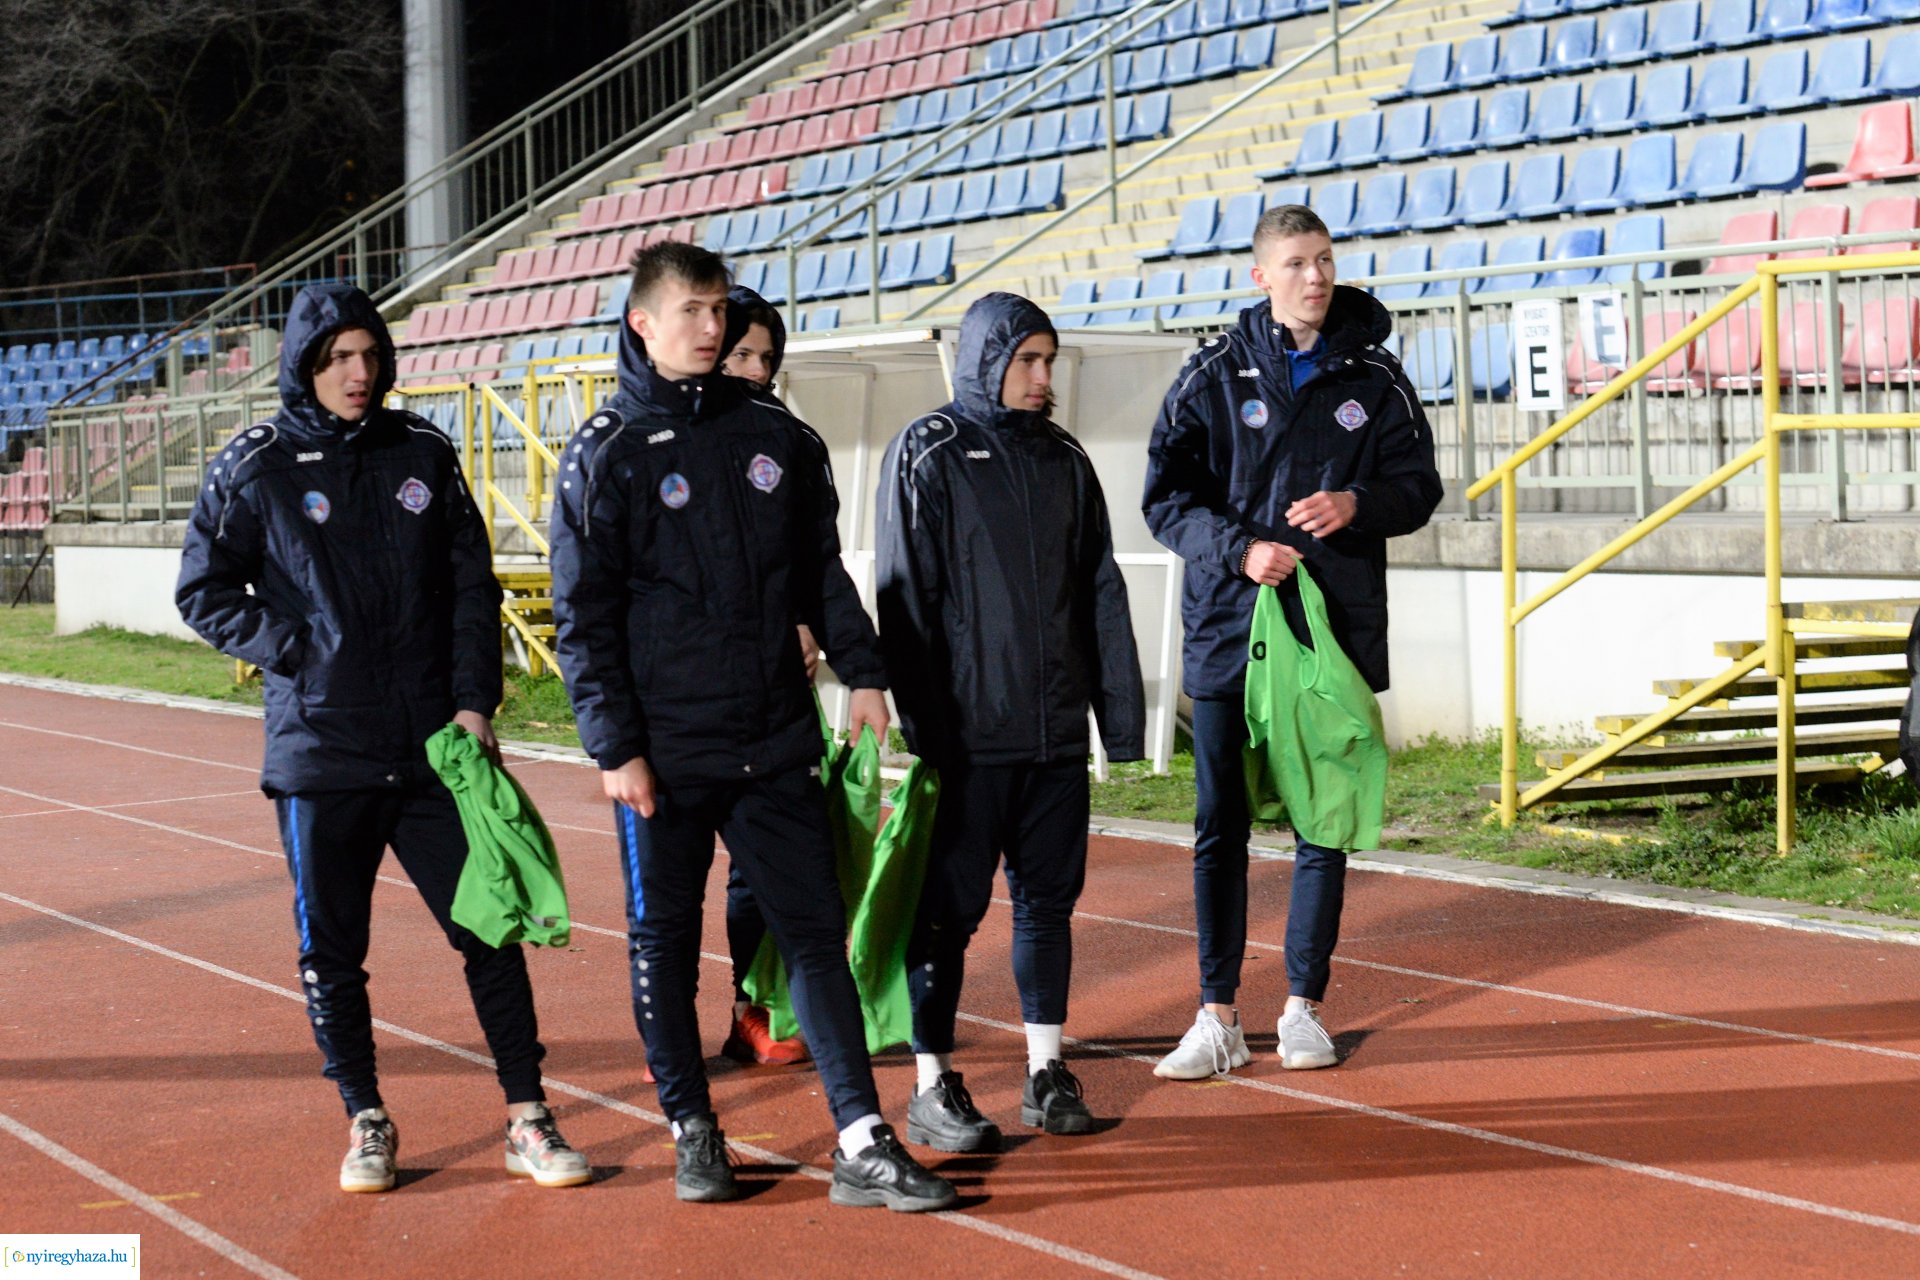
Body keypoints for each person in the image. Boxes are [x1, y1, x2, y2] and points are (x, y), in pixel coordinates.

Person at [549, 242, 955, 1212]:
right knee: (664, 943)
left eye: (719, 309)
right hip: (665, 753)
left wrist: (864, 671)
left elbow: (819, 569)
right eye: (691, 310)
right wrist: (614, 746)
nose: (711, 326)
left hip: (773, 736)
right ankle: (693, 1127)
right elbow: (583, 617)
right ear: (643, 322)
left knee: (815, 937)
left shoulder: (777, 438)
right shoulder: (606, 450)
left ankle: (861, 1138)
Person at [175, 283, 590, 1193]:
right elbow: (202, 589)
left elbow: (472, 587)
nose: (357, 373)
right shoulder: (256, 464)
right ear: (304, 366)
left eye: (369, 355)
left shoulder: (423, 452)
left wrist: (475, 703)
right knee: (332, 951)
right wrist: (298, 649)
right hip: (321, 750)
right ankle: (366, 1118)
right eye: (337, 359)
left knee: (489, 929)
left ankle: (528, 1115)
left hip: (433, 746)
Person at [1141, 205, 1443, 1079]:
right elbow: (1166, 500)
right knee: (1219, 828)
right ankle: (1217, 1016)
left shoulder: (1377, 378)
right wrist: (1240, 550)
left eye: (1326, 260)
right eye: (1298, 263)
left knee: (1322, 823)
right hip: (1230, 632)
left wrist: (1358, 504)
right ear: (1261, 276)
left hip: (1328, 637)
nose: (1316, 277)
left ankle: (1304, 1008)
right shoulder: (1209, 375)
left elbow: (1419, 486)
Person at [876, 292, 1146, 1152]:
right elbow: (904, 598)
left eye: (1049, 361)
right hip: (967, 739)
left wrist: (1119, 722)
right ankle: (930, 1083)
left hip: (1053, 735)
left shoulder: (1065, 459)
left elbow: (1101, 591)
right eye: (1027, 360)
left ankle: (1045, 1069)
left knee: (1047, 907)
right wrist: (927, 728)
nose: (1041, 376)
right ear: (985, 358)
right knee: (946, 918)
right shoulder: (927, 450)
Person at [707, 286, 811, 1068]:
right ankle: (673, 1042)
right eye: (740, 353)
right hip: (684, 701)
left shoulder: (788, 444)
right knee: (670, 890)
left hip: (772, 698)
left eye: (766, 358)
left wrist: (808, 623)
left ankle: (756, 1007)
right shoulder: (659, 442)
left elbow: (811, 557)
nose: (754, 370)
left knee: (765, 870)